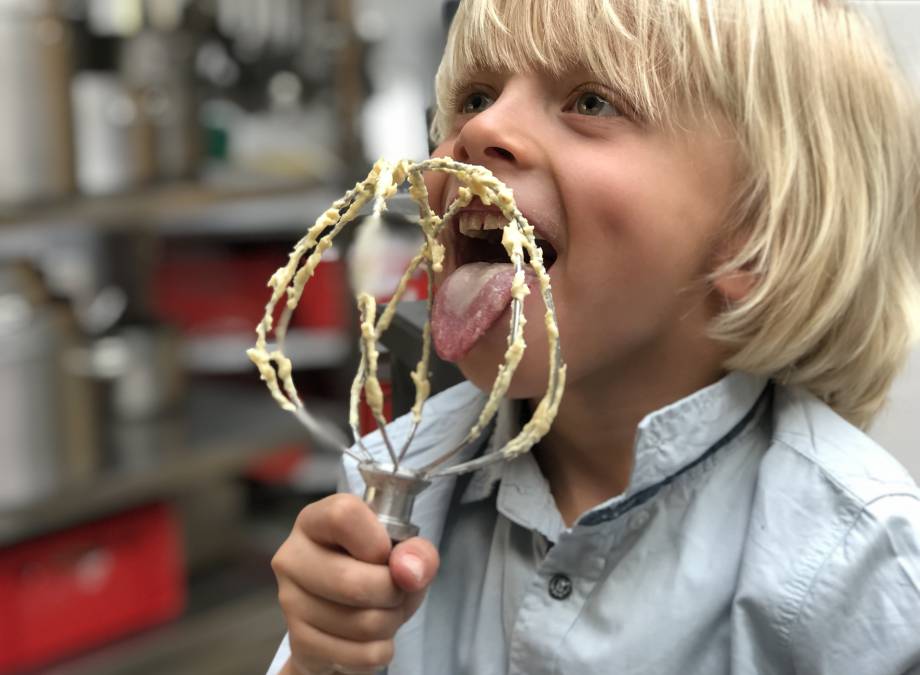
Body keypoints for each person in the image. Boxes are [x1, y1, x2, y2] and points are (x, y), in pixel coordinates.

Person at [266, 0, 920, 673]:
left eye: (592, 102)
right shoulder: (396, 484)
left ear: (759, 237)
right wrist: (319, 658)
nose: (481, 128)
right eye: (474, 96)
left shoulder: (863, 567)